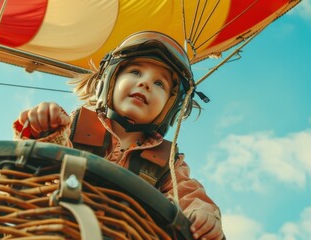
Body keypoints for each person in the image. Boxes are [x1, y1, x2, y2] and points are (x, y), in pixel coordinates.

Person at [13, 31, 224, 240]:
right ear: (110, 81)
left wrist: (203, 215)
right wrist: (44, 128)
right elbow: (39, 166)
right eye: (135, 72)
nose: (145, 83)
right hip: (54, 229)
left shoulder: (168, 163)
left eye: (159, 83)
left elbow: (187, 194)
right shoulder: (72, 126)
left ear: (170, 106)